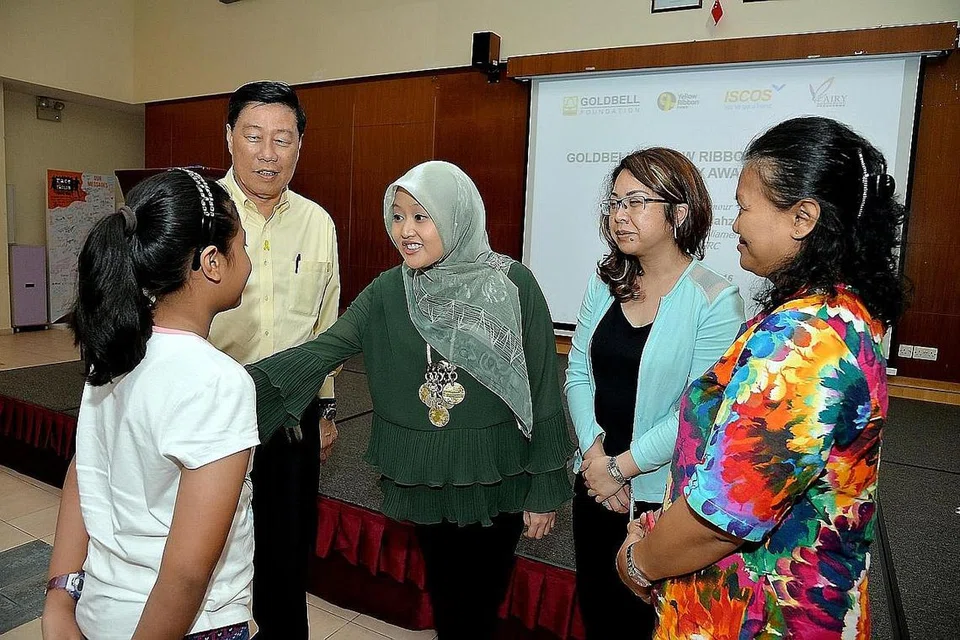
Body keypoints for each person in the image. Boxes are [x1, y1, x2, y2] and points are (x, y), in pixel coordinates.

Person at [245, 160, 575, 640]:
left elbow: (544, 390)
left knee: (479, 607)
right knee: (446, 599)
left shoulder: (512, 284)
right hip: (424, 476)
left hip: (497, 474)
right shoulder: (387, 290)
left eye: (422, 216)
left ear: (456, 216)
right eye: (397, 216)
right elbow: (323, 350)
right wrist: (226, 386)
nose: (405, 231)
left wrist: (546, 489)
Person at [615, 117, 906, 639]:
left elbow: (723, 517)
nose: (735, 224)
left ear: (802, 218)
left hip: (761, 614)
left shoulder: (805, 344)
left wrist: (639, 560)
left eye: (746, 207)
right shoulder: (837, 314)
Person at [41, 169, 256, 640]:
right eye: (242, 244)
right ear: (212, 262)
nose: (249, 259)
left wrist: (59, 597)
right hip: (182, 627)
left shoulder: (115, 350)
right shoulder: (219, 383)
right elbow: (186, 574)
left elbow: (85, 470)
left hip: (100, 612)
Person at [565, 148, 744, 638]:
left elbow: (697, 413)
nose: (620, 215)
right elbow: (578, 371)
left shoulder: (715, 298)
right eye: (615, 203)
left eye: (636, 202)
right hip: (595, 481)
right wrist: (595, 456)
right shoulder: (604, 283)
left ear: (679, 212)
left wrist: (621, 468)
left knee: (645, 624)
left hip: (661, 497)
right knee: (597, 611)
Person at [207, 81, 340, 639]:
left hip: (291, 414)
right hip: (209, 411)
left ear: (299, 147)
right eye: (254, 137)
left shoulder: (318, 222)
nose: (268, 153)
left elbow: (327, 324)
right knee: (207, 547)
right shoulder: (198, 211)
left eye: (282, 140)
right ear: (230, 138)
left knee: (286, 554)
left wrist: (327, 408)